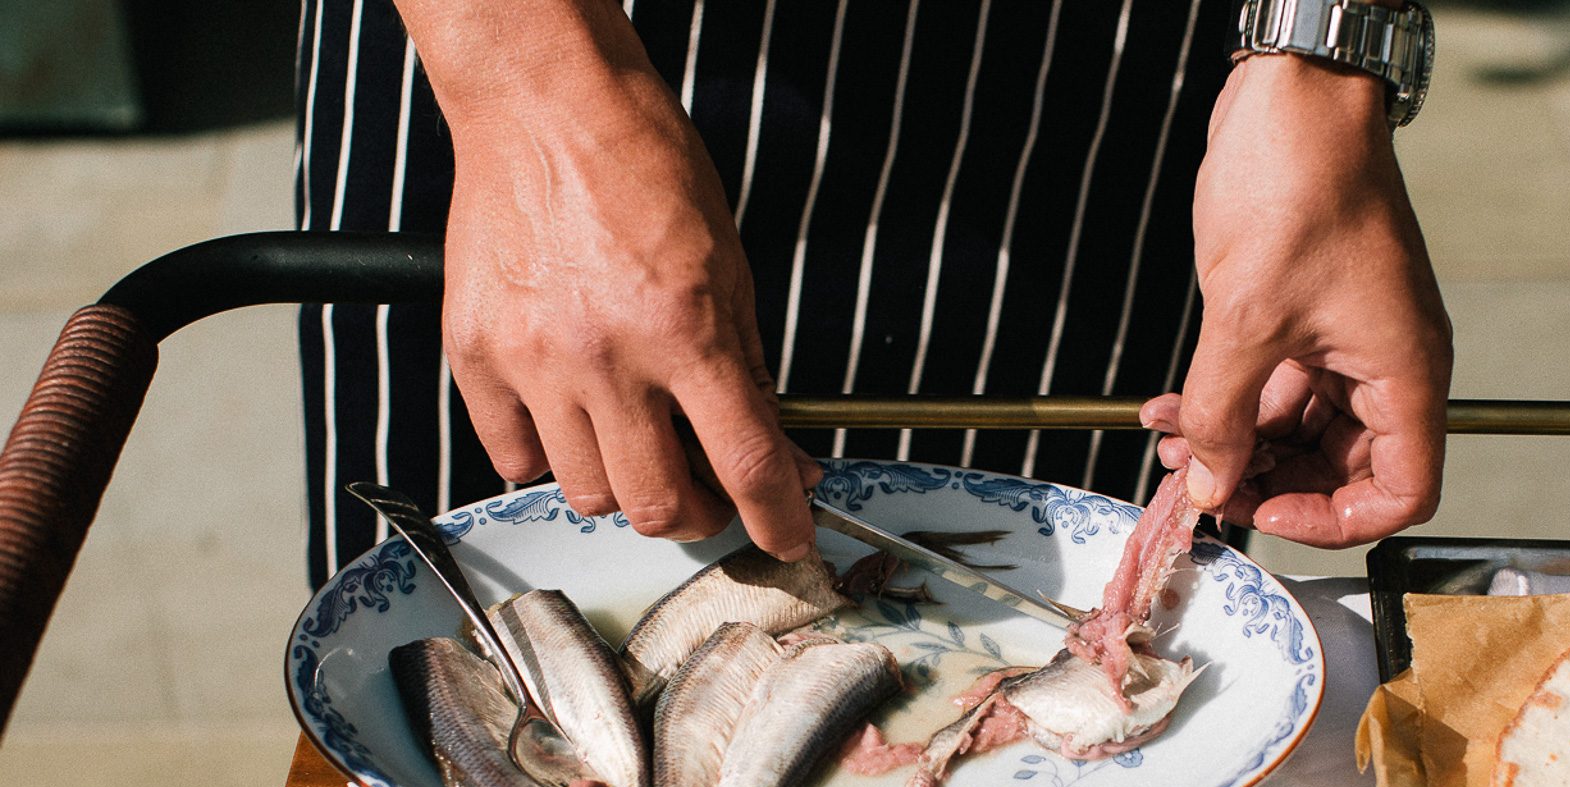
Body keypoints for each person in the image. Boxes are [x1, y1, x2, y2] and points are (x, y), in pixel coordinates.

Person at [295, 0, 1451, 587]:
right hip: (514, 66)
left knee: (1067, 753)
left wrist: (1324, 51)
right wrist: (525, 85)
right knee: (479, 724)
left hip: (1092, 83)